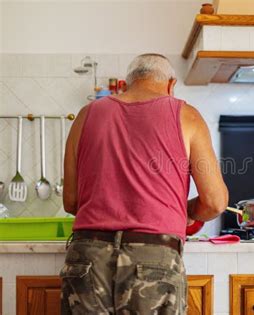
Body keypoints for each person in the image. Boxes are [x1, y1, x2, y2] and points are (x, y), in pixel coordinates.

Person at [61, 53, 228, 314]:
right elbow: (215, 202)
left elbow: (70, 201)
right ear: (171, 85)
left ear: (128, 83)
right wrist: (185, 212)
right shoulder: (187, 116)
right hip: (154, 258)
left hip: (88, 257)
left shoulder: (85, 115)